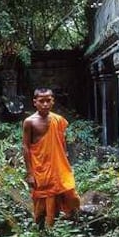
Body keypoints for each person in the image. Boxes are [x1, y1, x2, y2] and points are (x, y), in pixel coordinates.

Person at [22, 88, 80, 228]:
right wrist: (30, 173)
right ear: (35, 102)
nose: (45, 104)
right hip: (41, 168)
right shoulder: (29, 122)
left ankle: (72, 219)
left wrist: (64, 160)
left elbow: (61, 143)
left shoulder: (58, 120)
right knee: (43, 201)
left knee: (70, 192)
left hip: (59, 166)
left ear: (53, 101)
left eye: (48, 100)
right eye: (41, 101)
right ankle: (43, 229)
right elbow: (25, 147)